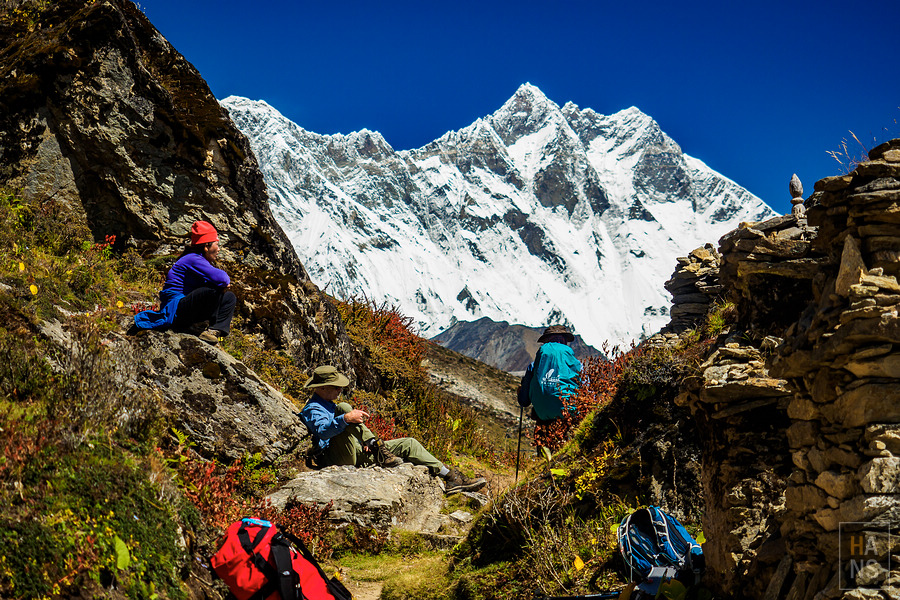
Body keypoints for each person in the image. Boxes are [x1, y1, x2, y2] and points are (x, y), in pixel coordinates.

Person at [299, 365, 487, 494]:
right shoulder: (312, 409)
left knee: (409, 443)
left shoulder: (329, 403)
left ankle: (450, 476)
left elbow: (343, 431)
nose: (340, 390)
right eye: (336, 387)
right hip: (333, 458)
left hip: (352, 452)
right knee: (345, 409)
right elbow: (323, 432)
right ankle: (376, 447)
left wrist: (360, 440)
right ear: (322, 387)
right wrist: (346, 418)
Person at [133, 220, 236, 345]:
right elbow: (223, 279)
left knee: (229, 297)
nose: (219, 249)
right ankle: (194, 326)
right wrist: (222, 283)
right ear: (206, 246)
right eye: (216, 244)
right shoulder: (192, 259)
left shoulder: (199, 260)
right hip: (176, 309)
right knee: (212, 291)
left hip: (186, 308)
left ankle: (215, 333)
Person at [517, 325, 583, 450]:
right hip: (569, 421)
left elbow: (524, 401)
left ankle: (545, 465)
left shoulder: (533, 366)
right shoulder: (577, 366)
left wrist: (520, 392)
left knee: (545, 458)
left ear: (546, 342)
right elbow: (589, 396)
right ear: (565, 342)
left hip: (543, 421)